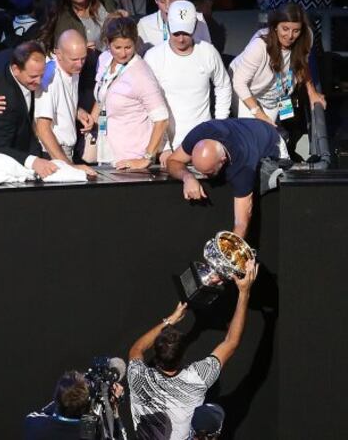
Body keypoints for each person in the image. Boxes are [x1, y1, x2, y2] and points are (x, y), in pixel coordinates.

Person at [128, 259, 258, 440]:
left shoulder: (138, 378)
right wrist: (244, 292)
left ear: (156, 353)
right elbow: (231, 342)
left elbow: (137, 348)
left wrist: (170, 320)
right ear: (183, 357)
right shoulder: (196, 379)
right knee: (215, 413)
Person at [144, 0, 231, 166]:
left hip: (204, 142)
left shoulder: (208, 52)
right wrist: (163, 145)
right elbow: (150, 104)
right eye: (176, 33)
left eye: (186, 33)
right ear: (168, 26)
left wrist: (218, 125)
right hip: (169, 147)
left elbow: (223, 86)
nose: (181, 39)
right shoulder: (153, 57)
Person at [166, 118, 281, 238]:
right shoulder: (199, 133)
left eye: (209, 173)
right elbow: (173, 160)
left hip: (272, 141)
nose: (205, 177)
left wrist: (230, 251)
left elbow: (241, 223)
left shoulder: (243, 165)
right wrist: (188, 177)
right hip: (244, 127)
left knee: (261, 182)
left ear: (223, 160)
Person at [229, 2, 326, 128]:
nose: (290, 36)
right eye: (285, 29)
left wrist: (312, 92)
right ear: (275, 26)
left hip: (280, 87)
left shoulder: (306, 37)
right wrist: (259, 114)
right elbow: (239, 82)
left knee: (276, 127)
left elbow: (302, 63)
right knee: (254, 131)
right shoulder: (259, 46)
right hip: (248, 89)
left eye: (296, 30)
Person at [91, 15, 168, 168]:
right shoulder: (105, 60)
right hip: (107, 154)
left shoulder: (141, 74)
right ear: (108, 43)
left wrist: (146, 158)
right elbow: (103, 94)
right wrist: (92, 118)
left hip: (131, 158)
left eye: (128, 47)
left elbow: (162, 119)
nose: (123, 53)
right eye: (117, 48)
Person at [0, 41, 57, 179]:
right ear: (16, 69)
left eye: (41, 75)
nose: (39, 82)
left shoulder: (8, 54)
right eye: (33, 77)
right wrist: (33, 161)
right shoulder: (3, 101)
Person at [35, 29, 96, 176]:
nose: (80, 64)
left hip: (65, 151)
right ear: (59, 54)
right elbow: (42, 129)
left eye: (83, 58)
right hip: (52, 154)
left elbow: (60, 101)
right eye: (74, 59)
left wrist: (77, 112)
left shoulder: (72, 70)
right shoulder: (50, 79)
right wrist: (68, 166)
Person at [25, 370, 126, 440]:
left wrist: (65, 394)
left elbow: (44, 412)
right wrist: (114, 409)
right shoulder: (91, 433)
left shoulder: (34, 425)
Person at [137, 0, 211, 54]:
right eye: (162, 1)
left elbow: (207, 53)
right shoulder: (144, 24)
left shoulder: (198, 19)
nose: (167, 7)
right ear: (155, 0)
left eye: (173, 1)